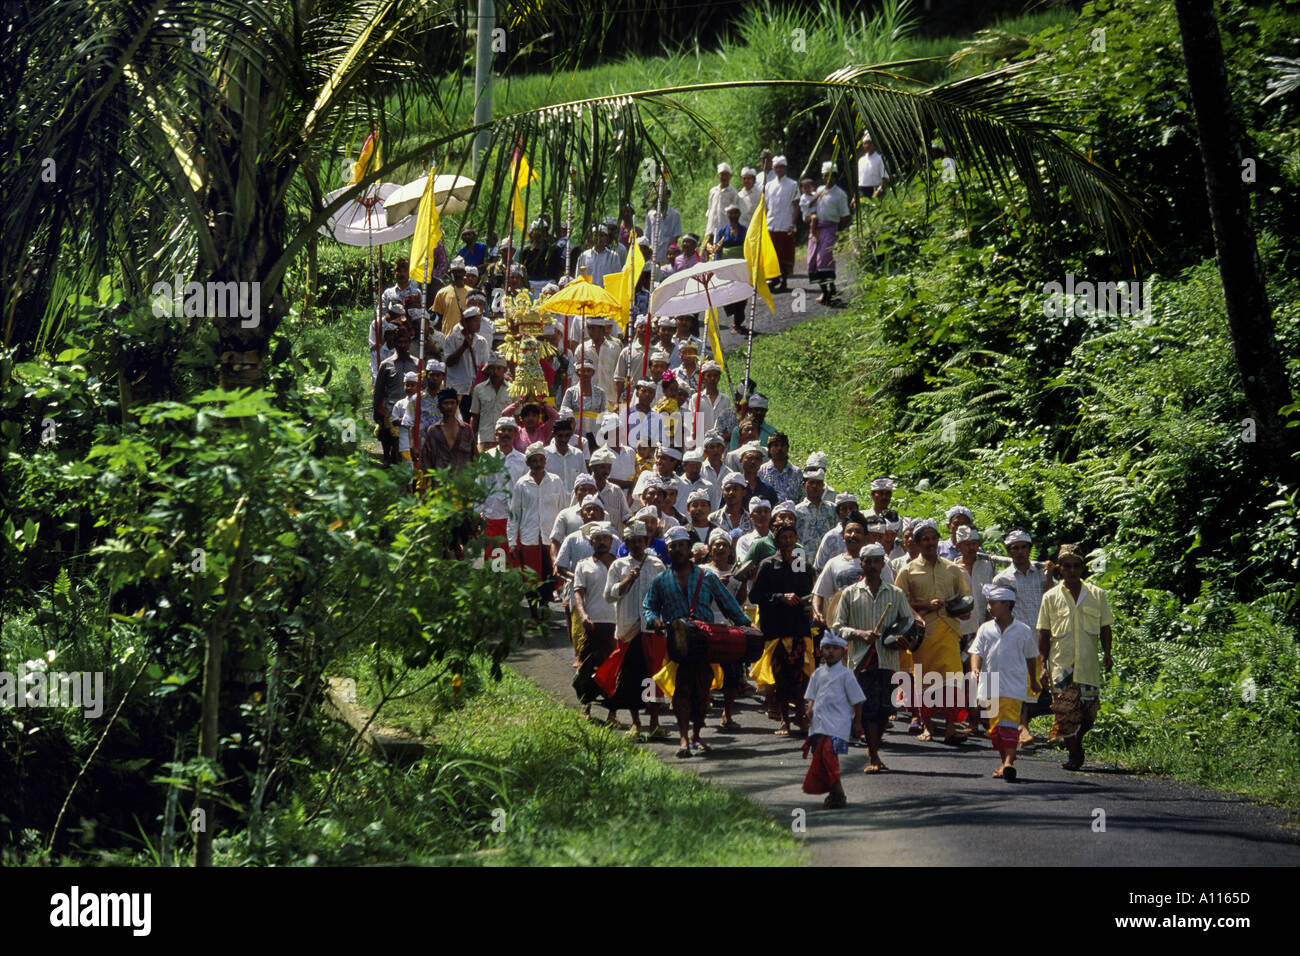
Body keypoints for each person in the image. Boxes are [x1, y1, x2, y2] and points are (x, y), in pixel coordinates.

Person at [642, 528, 753, 758]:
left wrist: (746, 624)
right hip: (677, 643)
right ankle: (683, 738)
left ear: (688, 548)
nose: (678, 549)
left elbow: (727, 602)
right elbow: (649, 606)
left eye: (682, 545)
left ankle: (696, 735)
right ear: (669, 550)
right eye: (673, 546)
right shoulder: (661, 580)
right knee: (681, 691)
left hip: (705, 642)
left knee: (702, 692)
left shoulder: (706, 576)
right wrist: (654, 621)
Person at [833, 544, 915, 773]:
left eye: (877, 561)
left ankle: (874, 747)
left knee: (885, 710)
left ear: (883, 564)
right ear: (862, 564)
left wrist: (902, 639)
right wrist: (859, 634)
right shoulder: (850, 593)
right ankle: (875, 755)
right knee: (868, 708)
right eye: (867, 561)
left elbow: (907, 623)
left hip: (888, 659)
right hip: (862, 660)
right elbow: (837, 627)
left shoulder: (895, 593)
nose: (872, 566)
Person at [893, 520, 972, 744]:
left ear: (938, 540)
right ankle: (927, 726)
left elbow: (964, 599)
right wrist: (926, 605)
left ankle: (950, 728)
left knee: (951, 681)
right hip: (922, 635)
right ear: (917, 543)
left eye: (932, 538)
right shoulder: (907, 570)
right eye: (924, 539)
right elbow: (901, 604)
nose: (929, 542)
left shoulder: (951, 568)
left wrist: (960, 609)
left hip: (948, 631)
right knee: (925, 680)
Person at [1037, 544, 1113, 771]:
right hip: (1062, 664)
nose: (1071, 571)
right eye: (1067, 566)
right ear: (1060, 568)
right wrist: (1043, 663)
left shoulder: (1097, 595)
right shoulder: (1050, 597)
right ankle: (1074, 754)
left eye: (1076, 566)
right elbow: (1043, 632)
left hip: (1088, 665)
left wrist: (1108, 654)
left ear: (1082, 568)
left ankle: (1077, 741)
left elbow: (1105, 628)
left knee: (1089, 715)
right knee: (1065, 713)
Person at [602, 521, 669, 741]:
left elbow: (665, 596)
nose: (636, 545)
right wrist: (628, 579)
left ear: (646, 541)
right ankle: (635, 722)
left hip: (652, 629)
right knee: (631, 676)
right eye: (632, 541)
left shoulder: (658, 565)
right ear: (626, 543)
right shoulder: (618, 566)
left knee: (652, 676)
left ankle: (654, 722)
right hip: (628, 628)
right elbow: (609, 595)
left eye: (640, 541)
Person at [749, 522, 816, 735]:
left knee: (801, 675)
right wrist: (780, 597)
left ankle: (800, 717)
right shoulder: (768, 565)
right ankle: (785, 720)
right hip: (776, 629)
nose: (787, 541)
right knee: (781, 677)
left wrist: (809, 606)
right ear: (776, 541)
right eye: (783, 538)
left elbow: (809, 594)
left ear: (796, 538)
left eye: (791, 537)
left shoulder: (803, 565)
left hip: (798, 628)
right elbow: (755, 596)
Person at [971, 585, 1040, 781]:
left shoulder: (1023, 630)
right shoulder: (985, 628)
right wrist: (976, 668)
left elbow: (1031, 657)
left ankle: (1009, 762)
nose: (990, 607)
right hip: (989, 684)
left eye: (993, 603)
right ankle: (1005, 763)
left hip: (1013, 686)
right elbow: (977, 651)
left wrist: (1034, 680)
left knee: (1009, 725)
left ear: (1007, 605)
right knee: (994, 728)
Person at [993, 528, 1056, 744]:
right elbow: (997, 610)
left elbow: (1052, 599)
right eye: (1014, 548)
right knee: (1020, 682)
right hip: (1016, 636)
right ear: (1009, 551)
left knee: (1043, 681)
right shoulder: (1002, 578)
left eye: (1023, 547)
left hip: (1041, 635)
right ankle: (1021, 726)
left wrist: (1049, 576)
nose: (1020, 552)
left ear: (1029, 549)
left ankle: (1056, 726)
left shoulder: (1040, 574)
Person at [800, 630, 865, 808]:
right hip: (818, 724)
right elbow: (812, 696)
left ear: (843, 652)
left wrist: (858, 722)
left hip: (838, 725)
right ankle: (835, 792)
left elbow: (857, 700)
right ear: (821, 651)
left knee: (829, 755)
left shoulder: (847, 675)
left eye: (834, 648)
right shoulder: (818, 674)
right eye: (826, 648)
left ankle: (838, 793)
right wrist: (809, 710)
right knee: (820, 757)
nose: (830, 652)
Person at [507, 442, 569, 620]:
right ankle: (535, 615)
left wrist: (565, 537)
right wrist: (512, 542)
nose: (538, 464)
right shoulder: (521, 484)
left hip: (551, 538)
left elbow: (564, 510)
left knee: (551, 578)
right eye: (534, 461)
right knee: (531, 579)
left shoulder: (556, 481)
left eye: (541, 460)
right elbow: (514, 515)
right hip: (529, 539)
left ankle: (544, 608)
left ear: (545, 461)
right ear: (528, 463)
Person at [572, 522, 623, 722]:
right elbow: (578, 593)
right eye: (597, 539)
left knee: (613, 670)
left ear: (611, 541)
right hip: (593, 624)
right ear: (591, 542)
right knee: (586, 667)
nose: (602, 542)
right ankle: (586, 706)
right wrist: (583, 615)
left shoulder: (620, 564)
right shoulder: (583, 565)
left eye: (605, 538)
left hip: (616, 624)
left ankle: (613, 713)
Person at [702, 527, 750, 728]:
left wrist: (744, 580)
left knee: (732, 672)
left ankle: (727, 714)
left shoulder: (736, 572)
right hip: (707, 624)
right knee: (704, 672)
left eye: (724, 545)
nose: (720, 548)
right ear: (710, 549)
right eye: (716, 545)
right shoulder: (702, 571)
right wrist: (715, 586)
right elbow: (698, 599)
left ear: (730, 549)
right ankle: (701, 712)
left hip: (728, 626)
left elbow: (739, 602)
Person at [478, 417, 526, 560]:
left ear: (515, 434)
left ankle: (512, 582)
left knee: (514, 559)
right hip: (492, 517)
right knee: (496, 559)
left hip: (515, 518)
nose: (506, 433)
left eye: (510, 430)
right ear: (496, 434)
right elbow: (480, 486)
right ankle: (498, 582)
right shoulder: (487, 457)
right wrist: (478, 513)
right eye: (502, 430)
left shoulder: (522, 460)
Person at [807, 162, 852, 304]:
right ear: (822, 177)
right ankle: (829, 288)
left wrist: (840, 232)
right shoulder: (820, 190)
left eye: (831, 176)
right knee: (813, 260)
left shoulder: (840, 194)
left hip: (830, 228)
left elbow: (845, 215)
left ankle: (826, 292)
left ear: (836, 177)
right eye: (825, 176)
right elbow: (811, 207)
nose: (828, 179)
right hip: (816, 228)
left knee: (824, 260)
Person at [373, 326, 419, 465]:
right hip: (392, 410)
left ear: (409, 343)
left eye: (405, 342)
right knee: (396, 444)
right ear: (394, 343)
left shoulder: (417, 364)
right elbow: (379, 391)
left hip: (412, 410)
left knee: (409, 446)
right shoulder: (386, 365)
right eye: (399, 342)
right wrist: (377, 412)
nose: (402, 345)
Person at [444, 305, 490, 420]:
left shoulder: (482, 341)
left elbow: (485, 366)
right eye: (475, 321)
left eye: (479, 321)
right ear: (465, 322)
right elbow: (448, 362)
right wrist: (463, 347)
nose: (478, 324)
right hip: (458, 390)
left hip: (475, 390)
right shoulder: (452, 339)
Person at [763, 155, 799, 291]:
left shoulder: (792, 184)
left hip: (785, 224)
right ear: (773, 168)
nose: (779, 170)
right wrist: (765, 222)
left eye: (781, 167)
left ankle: (784, 282)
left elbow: (796, 205)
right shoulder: (769, 185)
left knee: (785, 255)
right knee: (772, 255)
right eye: (777, 167)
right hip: (771, 224)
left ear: (785, 168)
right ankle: (773, 279)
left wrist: (792, 223)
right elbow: (767, 207)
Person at [419, 387, 476, 473]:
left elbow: (475, 456)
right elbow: (426, 461)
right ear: (439, 406)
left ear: (457, 405)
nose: (449, 406)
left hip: (463, 482)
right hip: (441, 482)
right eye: (446, 403)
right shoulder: (433, 431)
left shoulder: (466, 429)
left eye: (452, 403)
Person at [467, 352, 513, 451]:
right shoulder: (479, 389)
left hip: (506, 440)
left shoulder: (512, 389)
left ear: (504, 370)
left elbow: (517, 417)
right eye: (492, 368)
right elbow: (475, 417)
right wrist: (471, 440)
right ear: (488, 370)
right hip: (485, 439)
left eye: (499, 368)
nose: (495, 372)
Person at [813, 491, 860, 570]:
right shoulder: (831, 536)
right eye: (844, 509)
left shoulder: (864, 533)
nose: (848, 512)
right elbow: (819, 566)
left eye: (851, 508)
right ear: (838, 513)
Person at [796, 467, 837, 554]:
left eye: (818, 483)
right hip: (804, 559)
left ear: (823, 486)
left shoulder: (832, 509)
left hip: (828, 557)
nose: (815, 486)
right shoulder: (797, 511)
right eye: (811, 483)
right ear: (804, 485)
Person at [758, 432, 802, 503]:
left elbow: (802, 497)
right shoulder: (761, 471)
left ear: (787, 448)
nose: (779, 448)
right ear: (769, 449)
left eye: (782, 445)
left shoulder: (796, 472)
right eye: (775, 445)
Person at [643, 187, 683, 266]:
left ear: (668, 195)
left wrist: (671, 253)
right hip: (653, 252)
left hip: (667, 253)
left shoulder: (675, 214)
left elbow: (676, 235)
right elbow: (647, 235)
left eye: (663, 194)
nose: (660, 197)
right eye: (657, 195)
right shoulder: (650, 214)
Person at [433, 259, 470, 336]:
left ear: (464, 273)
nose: (458, 275)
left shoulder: (471, 293)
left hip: (467, 338)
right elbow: (437, 319)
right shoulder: (441, 293)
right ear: (450, 273)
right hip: (448, 337)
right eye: (454, 272)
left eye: (460, 272)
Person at [705, 163, 741, 241]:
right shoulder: (713, 191)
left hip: (724, 227)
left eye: (726, 175)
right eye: (722, 174)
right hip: (711, 227)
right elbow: (709, 209)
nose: (724, 177)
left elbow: (735, 214)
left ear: (730, 176)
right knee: (709, 250)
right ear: (718, 176)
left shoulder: (733, 192)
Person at [856, 132, 890, 200]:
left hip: (875, 191)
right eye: (865, 143)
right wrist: (855, 196)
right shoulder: (861, 161)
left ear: (874, 144)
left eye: (870, 143)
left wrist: (880, 190)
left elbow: (885, 177)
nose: (868, 145)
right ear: (863, 145)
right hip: (862, 192)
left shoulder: (880, 159)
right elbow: (860, 180)